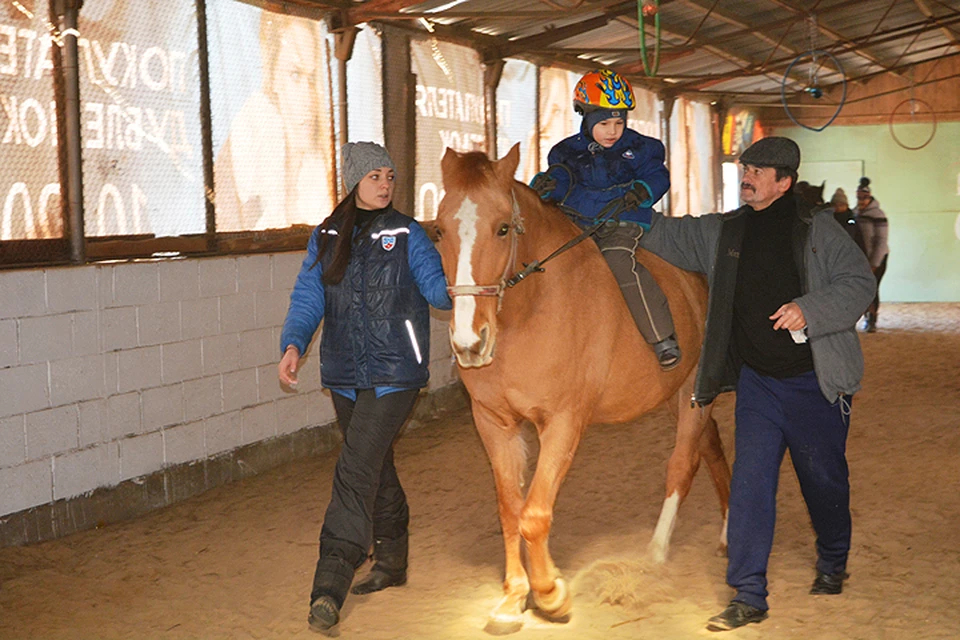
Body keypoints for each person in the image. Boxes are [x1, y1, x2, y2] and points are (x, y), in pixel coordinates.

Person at [637, 137, 876, 632]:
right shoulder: (725, 231)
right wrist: (612, 200)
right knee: (749, 485)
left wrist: (808, 309)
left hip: (814, 384)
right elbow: (664, 233)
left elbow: (859, 284)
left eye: (758, 170)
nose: (746, 175)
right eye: (745, 166)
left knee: (824, 483)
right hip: (759, 386)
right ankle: (748, 593)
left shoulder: (820, 231)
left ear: (783, 182)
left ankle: (833, 560)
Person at [278, 142, 451, 634]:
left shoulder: (408, 233)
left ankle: (328, 585)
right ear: (354, 180)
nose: (385, 185)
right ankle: (392, 561)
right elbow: (309, 296)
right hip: (345, 375)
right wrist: (293, 343)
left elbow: (436, 288)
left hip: (396, 373)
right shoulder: (328, 235)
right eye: (375, 176)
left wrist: (464, 284)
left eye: (390, 177)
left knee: (355, 470)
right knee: (376, 466)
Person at [530, 68, 680, 370]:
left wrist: (643, 190)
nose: (613, 131)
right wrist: (547, 186)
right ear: (586, 120)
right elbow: (562, 177)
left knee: (619, 263)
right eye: (604, 123)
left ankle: (661, 337)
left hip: (621, 222)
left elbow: (657, 175)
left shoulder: (641, 148)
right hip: (578, 222)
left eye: (618, 122)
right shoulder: (566, 151)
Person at [215, 13, 334, 231]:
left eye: (313, 78)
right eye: (295, 75)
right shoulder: (251, 136)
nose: (308, 99)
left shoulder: (319, 161)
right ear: (273, 77)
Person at [854, 177, 890, 332]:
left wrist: (874, 263)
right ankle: (865, 317)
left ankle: (872, 320)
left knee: (873, 289)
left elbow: (881, 241)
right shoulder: (855, 213)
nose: (861, 200)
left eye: (863, 197)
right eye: (859, 197)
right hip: (861, 259)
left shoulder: (877, 214)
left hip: (877, 259)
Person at [829, 188, 867, 255]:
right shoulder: (827, 220)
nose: (838, 208)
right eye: (835, 205)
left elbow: (859, 241)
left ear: (846, 206)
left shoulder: (852, 221)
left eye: (841, 205)